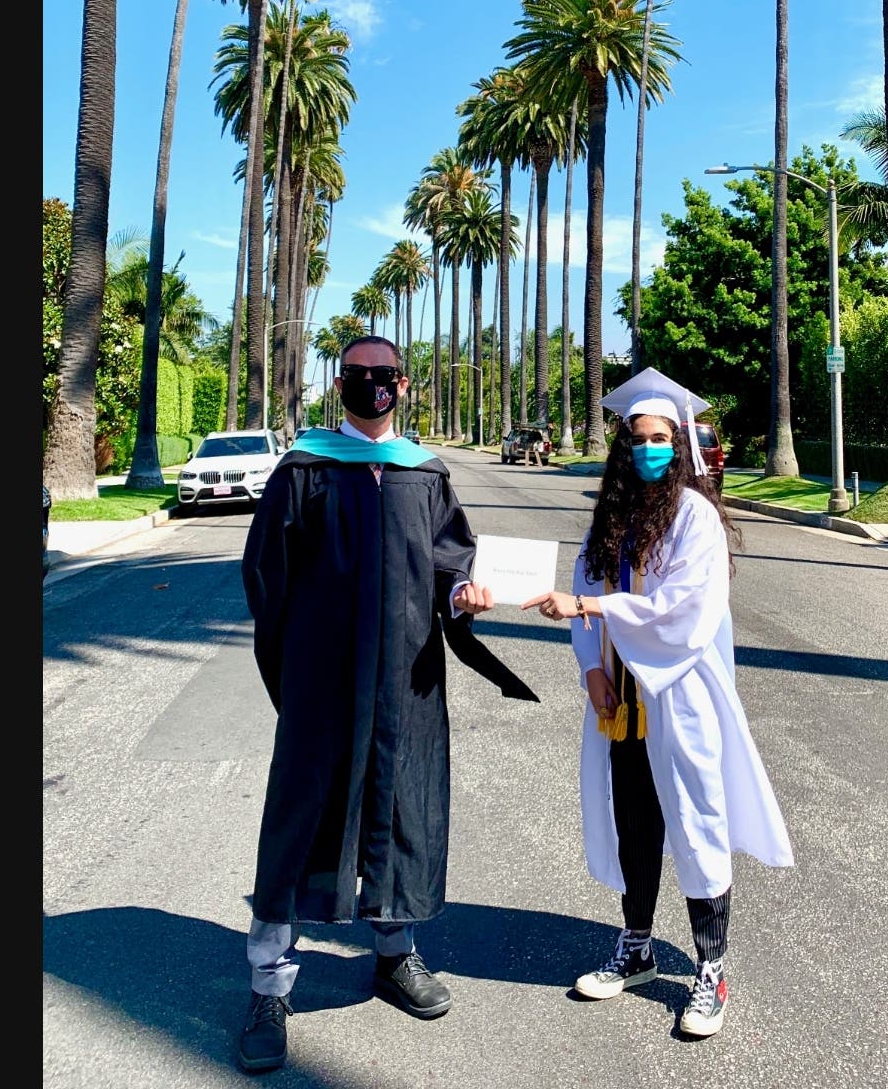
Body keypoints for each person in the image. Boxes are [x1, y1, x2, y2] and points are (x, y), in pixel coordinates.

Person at [237, 335, 530, 1073]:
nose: (374, 389)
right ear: (341, 385)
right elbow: (265, 580)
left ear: (404, 384)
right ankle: (269, 984)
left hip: (407, 682)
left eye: (386, 377)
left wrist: (463, 594)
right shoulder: (304, 469)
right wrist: (294, 674)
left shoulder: (424, 474)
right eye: (359, 378)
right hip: (323, 688)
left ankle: (395, 954)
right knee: (303, 818)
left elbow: (451, 562)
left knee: (403, 811)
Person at [521, 367, 794, 1039]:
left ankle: (711, 969)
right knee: (635, 824)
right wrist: (590, 667)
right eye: (637, 439)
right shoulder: (611, 515)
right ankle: (637, 947)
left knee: (698, 823)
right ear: (622, 447)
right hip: (621, 700)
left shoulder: (694, 518)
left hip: (682, 698)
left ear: (679, 445)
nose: (648, 448)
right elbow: (587, 579)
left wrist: (589, 606)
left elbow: (681, 614)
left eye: (660, 438)